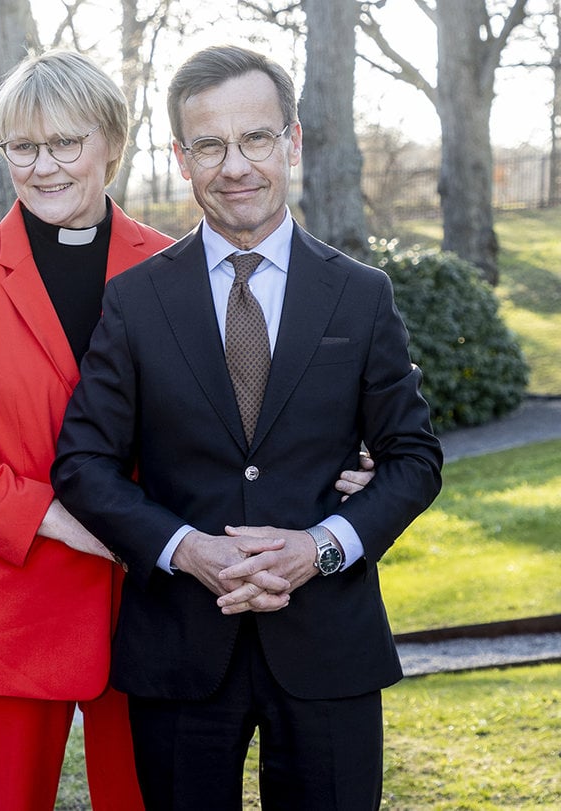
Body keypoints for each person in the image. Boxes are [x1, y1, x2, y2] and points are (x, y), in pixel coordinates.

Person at [0, 48, 376, 810]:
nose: (44, 166)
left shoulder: (178, 266)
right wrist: (60, 521)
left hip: (156, 610)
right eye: (23, 147)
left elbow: (252, 409)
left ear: (113, 145)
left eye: (66, 142)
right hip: (12, 606)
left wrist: (348, 452)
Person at [52, 44, 443, 811]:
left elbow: (413, 459)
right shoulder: (135, 301)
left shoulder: (360, 295)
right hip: (180, 647)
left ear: (291, 141)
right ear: (181, 158)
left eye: (256, 138)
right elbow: (82, 464)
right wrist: (186, 549)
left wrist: (319, 546)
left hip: (329, 643)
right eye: (210, 145)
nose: (235, 166)